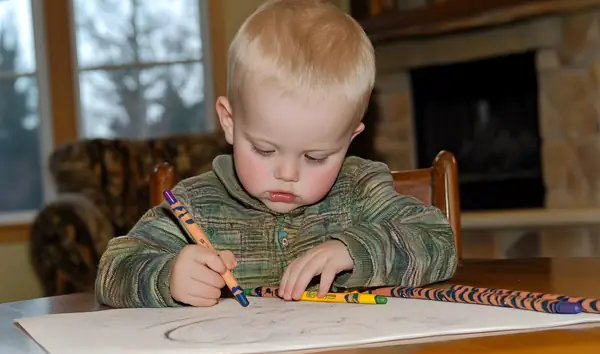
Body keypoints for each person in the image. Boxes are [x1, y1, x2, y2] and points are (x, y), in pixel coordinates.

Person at [95, 0, 458, 309]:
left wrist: (355, 250)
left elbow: (440, 243)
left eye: (315, 157)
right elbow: (113, 269)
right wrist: (167, 277)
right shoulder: (196, 206)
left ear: (350, 139)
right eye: (265, 149)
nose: (287, 173)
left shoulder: (360, 191)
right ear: (230, 123)